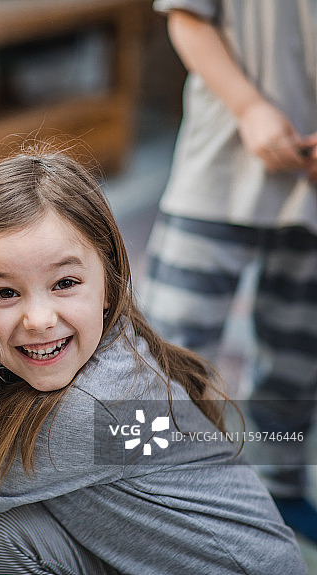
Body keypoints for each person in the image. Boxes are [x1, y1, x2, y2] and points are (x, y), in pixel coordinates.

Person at [0, 152, 307, 575]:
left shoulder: (94, 408)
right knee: (4, 533)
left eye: (65, 283)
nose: (39, 319)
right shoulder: (110, 346)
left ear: (109, 286)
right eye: (4, 292)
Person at [140, 0, 317, 543]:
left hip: (310, 193)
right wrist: (249, 108)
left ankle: (278, 486)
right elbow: (186, 16)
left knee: (296, 355)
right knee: (162, 353)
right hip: (216, 169)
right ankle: (149, 490)